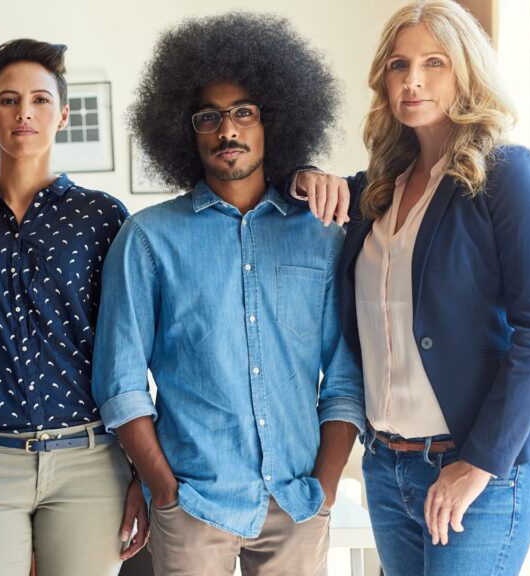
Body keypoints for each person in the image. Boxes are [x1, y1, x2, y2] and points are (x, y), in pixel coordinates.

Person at [293, 2, 530, 574]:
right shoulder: (375, 191)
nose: (412, 80)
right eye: (398, 64)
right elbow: (294, 193)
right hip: (387, 467)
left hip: (478, 469)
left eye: (434, 62)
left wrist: (479, 464)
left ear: (466, 71)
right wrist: (302, 175)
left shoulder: (505, 174)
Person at [92, 13, 365, 576]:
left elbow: (343, 379)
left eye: (244, 112)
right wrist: (165, 492)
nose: (227, 130)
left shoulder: (320, 234)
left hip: (297, 503)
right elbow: (120, 385)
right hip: (193, 505)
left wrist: (325, 490)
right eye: (208, 117)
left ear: (274, 122)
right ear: (184, 131)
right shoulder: (146, 240)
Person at [0, 38, 147, 576]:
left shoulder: (102, 216)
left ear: (63, 114)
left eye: (40, 100)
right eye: (7, 100)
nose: (23, 112)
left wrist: (142, 468)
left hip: (90, 461)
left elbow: (131, 341)